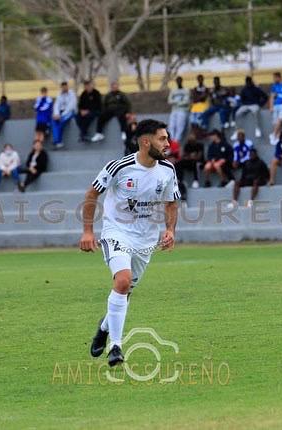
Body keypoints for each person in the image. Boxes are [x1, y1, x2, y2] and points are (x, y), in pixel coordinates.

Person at [81, 119, 180, 367]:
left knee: (125, 291)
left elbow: (171, 202)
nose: (168, 144)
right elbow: (92, 194)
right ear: (146, 142)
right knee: (122, 281)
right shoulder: (119, 167)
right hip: (117, 231)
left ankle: (104, 328)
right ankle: (115, 347)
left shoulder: (167, 170)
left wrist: (170, 230)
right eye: (162, 139)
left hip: (146, 239)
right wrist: (87, 232)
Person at [50, 81, 77, 149]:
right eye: (63, 87)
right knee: (53, 121)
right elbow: (56, 105)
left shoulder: (72, 94)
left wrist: (61, 115)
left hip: (69, 112)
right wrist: (56, 114)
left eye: (65, 87)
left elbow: (71, 106)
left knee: (61, 121)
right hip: (60, 112)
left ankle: (58, 140)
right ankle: (57, 140)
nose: (64, 88)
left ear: (67, 86)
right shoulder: (60, 94)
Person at [167, 76, 190, 141]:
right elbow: (169, 101)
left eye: (180, 80)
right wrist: (179, 101)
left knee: (180, 127)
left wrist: (175, 101)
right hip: (174, 111)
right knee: (171, 126)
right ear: (176, 82)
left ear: (181, 81)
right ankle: (171, 142)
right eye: (177, 81)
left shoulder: (186, 90)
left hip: (182, 111)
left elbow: (186, 102)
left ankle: (176, 142)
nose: (178, 82)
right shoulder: (173, 90)